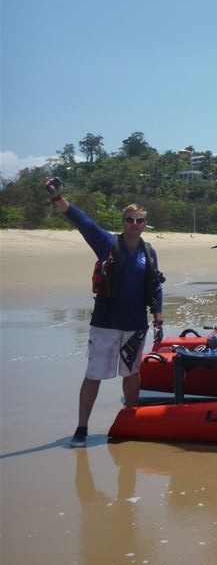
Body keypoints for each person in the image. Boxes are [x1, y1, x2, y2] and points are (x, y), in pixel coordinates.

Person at [42, 179, 164, 447]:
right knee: (94, 375)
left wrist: (158, 313)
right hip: (105, 324)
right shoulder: (107, 243)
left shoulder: (149, 252)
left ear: (145, 224)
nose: (134, 224)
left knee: (132, 375)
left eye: (139, 221)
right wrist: (57, 197)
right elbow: (82, 221)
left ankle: (131, 422)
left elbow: (155, 284)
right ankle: (81, 429)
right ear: (123, 222)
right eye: (130, 219)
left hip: (135, 325)